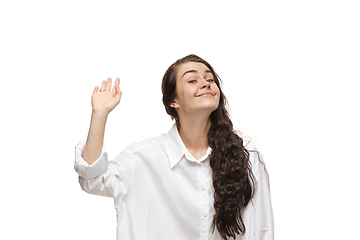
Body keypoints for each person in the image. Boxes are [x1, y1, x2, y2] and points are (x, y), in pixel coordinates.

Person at [74, 54, 274, 240]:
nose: (206, 84)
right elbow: (92, 180)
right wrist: (99, 114)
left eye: (210, 80)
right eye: (192, 80)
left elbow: (261, 229)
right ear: (173, 101)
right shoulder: (143, 158)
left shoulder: (245, 157)